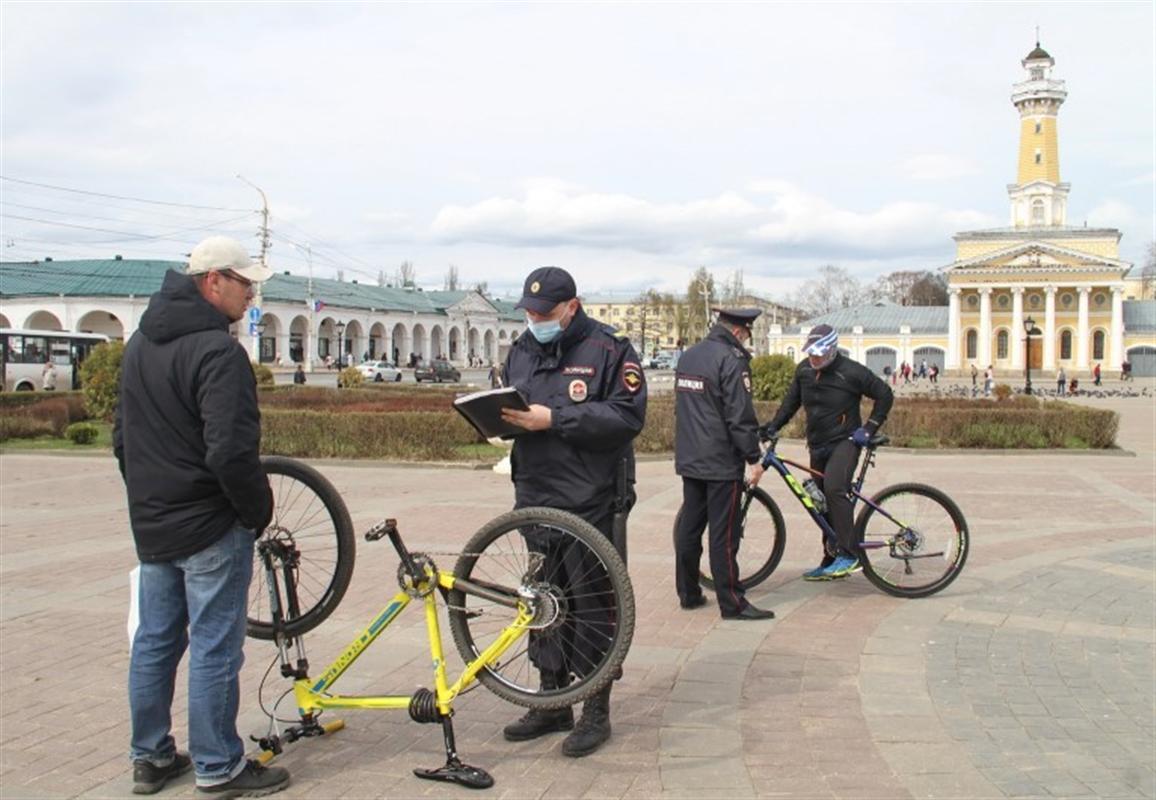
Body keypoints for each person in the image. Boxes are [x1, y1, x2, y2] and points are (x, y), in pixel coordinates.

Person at [113, 236, 289, 797]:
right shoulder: (218, 352)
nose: (251, 292)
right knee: (215, 645)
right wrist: (255, 510)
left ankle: (152, 757)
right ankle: (218, 765)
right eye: (244, 282)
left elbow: (122, 439)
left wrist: (146, 496)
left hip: (154, 520)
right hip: (209, 524)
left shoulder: (141, 342)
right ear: (212, 281)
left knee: (156, 641)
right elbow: (230, 451)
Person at [498, 266, 647, 758]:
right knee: (541, 601)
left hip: (591, 499)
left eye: (545, 313)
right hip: (535, 495)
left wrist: (554, 419)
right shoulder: (522, 349)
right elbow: (515, 405)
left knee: (591, 605)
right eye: (529, 312)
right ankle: (551, 699)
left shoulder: (610, 350)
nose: (535, 319)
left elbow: (627, 417)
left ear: (572, 307)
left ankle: (595, 709)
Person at [761, 324, 893, 580]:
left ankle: (849, 554)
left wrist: (869, 428)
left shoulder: (851, 371)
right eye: (811, 352)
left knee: (834, 489)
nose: (814, 358)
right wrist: (772, 427)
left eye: (819, 353)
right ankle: (831, 556)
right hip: (817, 445)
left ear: (832, 350)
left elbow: (884, 394)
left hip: (845, 443)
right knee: (820, 503)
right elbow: (791, 403)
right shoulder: (804, 370)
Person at [673, 308, 775, 621]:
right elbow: (739, 414)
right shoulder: (732, 358)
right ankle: (733, 604)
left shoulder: (689, 356)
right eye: (746, 334)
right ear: (739, 331)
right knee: (724, 536)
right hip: (720, 462)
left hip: (691, 459)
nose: (746, 339)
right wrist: (753, 458)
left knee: (689, 529)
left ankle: (689, 593)